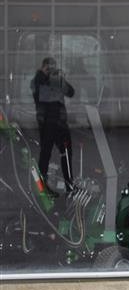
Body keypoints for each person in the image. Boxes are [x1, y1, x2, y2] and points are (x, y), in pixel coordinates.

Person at [31, 56, 76, 194]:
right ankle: (41, 187)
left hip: (60, 123)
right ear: (42, 67)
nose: (50, 70)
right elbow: (37, 90)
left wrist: (60, 79)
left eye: (52, 67)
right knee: (45, 154)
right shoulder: (38, 80)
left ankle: (69, 185)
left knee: (67, 152)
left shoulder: (57, 81)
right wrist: (44, 74)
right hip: (47, 123)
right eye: (48, 67)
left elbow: (71, 92)